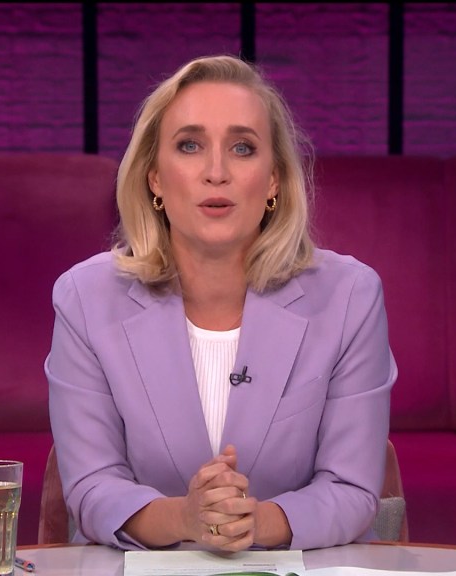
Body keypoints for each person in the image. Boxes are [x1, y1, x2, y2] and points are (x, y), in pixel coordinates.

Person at [45, 54, 397, 552]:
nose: (216, 172)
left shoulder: (349, 298)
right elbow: (91, 486)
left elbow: (352, 488)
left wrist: (255, 522)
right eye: (189, 145)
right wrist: (186, 518)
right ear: (154, 177)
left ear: (273, 180)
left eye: (242, 148)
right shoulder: (86, 299)